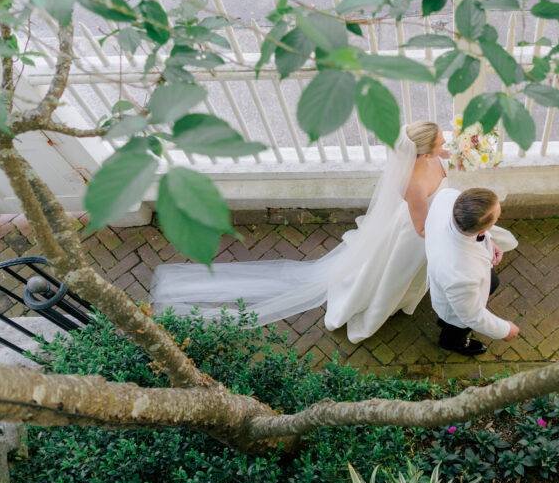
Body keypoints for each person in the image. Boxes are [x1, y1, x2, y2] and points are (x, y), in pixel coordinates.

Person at [149, 121, 449, 343]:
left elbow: (442, 158)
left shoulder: (426, 158)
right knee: (394, 273)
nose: (444, 144)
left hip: (416, 220)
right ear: (423, 154)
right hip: (414, 233)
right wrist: (448, 228)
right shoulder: (415, 186)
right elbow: (422, 228)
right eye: (440, 142)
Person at [425, 187, 520, 356]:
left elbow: (476, 231)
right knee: (457, 326)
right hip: (455, 308)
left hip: (466, 278)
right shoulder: (461, 275)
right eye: (496, 219)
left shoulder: (447, 198)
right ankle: (453, 343)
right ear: (482, 229)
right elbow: (472, 316)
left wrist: (489, 243)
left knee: (493, 282)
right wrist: (504, 330)